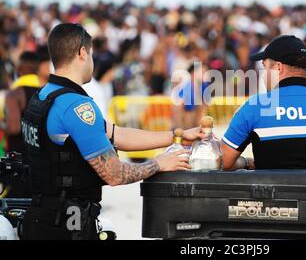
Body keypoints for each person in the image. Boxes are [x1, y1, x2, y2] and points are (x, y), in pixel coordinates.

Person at [20, 23, 204, 240]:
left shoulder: (44, 96)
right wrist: (159, 164)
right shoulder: (77, 106)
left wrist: (177, 135)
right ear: (81, 53)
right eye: (90, 54)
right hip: (66, 226)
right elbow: (115, 175)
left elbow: (117, 134)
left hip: (40, 217)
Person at [221, 35, 306, 171]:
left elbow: (222, 162)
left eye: (265, 68)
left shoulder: (255, 107)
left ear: (278, 67)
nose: (263, 75)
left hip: (276, 195)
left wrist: (246, 162)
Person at [0, 52, 46, 197]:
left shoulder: (14, 94)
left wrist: (1, 124)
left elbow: (14, 128)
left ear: (19, 69)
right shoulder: (45, 93)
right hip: (41, 164)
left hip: (19, 164)